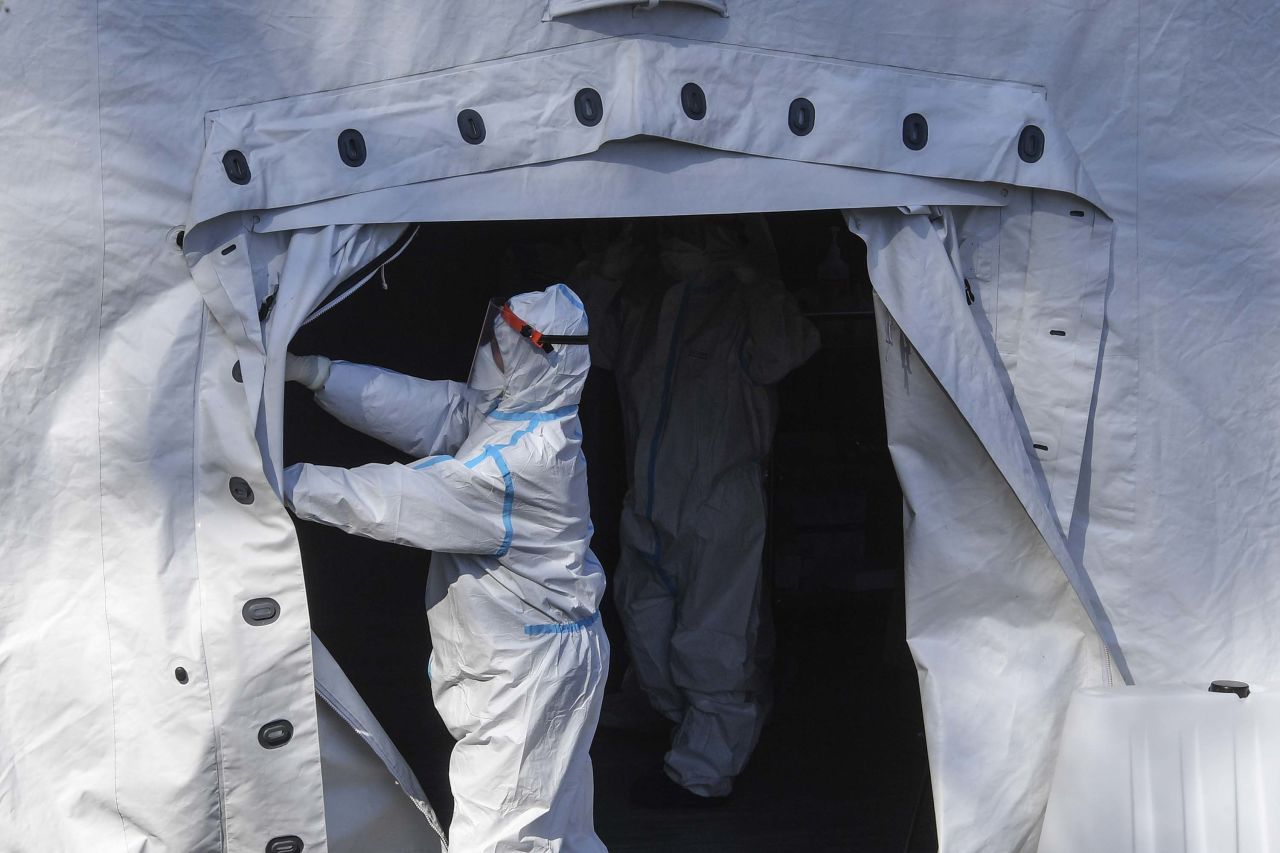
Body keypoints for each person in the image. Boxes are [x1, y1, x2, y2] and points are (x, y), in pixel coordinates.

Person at [283, 283, 609, 853]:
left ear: (537, 357)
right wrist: (318, 373)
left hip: (527, 677)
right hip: (542, 658)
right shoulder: (519, 419)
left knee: (505, 837)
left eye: (500, 345)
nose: (487, 352)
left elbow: (400, 501)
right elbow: (432, 409)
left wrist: (283, 482)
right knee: (556, 829)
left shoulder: (518, 465)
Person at [575, 219, 820, 807]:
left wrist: (750, 275)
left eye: (699, 226)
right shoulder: (646, 308)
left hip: (720, 500)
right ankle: (694, 721)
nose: (679, 236)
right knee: (645, 619)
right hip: (649, 497)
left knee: (713, 637)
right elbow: (571, 339)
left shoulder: (745, 306)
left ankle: (701, 772)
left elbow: (788, 350)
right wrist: (607, 271)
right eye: (673, 226)